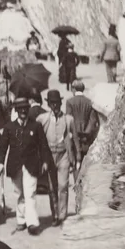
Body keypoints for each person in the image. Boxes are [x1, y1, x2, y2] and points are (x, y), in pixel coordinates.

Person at [0, 96, 54, 233]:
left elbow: (43, 146)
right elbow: (3, 148)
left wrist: (46, 161)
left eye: (25, 109)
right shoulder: (9, 127)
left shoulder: (36, 126)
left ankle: (32, 223)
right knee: (20, 194)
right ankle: (21, 220)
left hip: (31, 166)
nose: (23, 111)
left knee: (30, 194)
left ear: (28, 110)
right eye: (20, 109)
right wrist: (0, 163)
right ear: (16, 110)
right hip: (15, 167)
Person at [37, 89, 78, 226]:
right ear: (49, 104)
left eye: (57, 103)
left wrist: (76, 156)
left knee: (63, 185)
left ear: (60, 103)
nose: (55, 106)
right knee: (51, 187)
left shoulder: (68, 119)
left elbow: (75, 138)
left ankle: (62, 215)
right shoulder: (42, 119)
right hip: (49, 156)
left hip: (63, 155)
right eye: (52, 103)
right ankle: (54, 214)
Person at [65, 80, 99, 161]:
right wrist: (87, 132)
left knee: (75, 159)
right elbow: (93, 120)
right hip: (86, 136)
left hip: (74, 134)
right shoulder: (89, 102)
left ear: (74, 89)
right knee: (85, 159)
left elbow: (68, 118)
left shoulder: (69, 102)